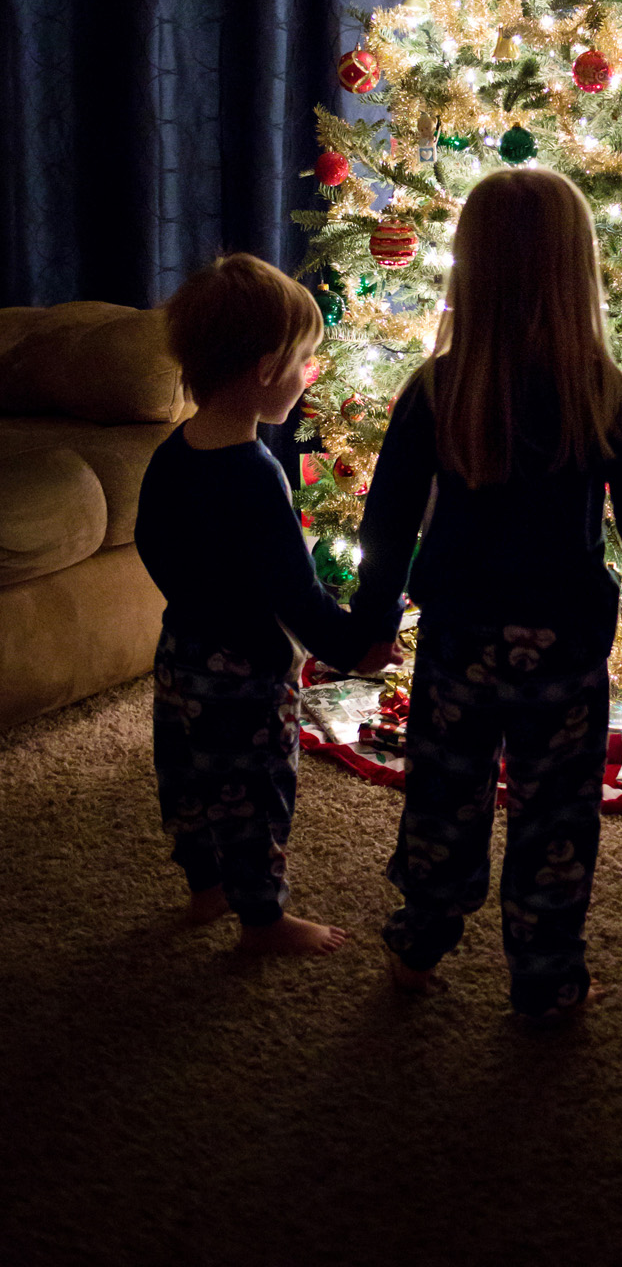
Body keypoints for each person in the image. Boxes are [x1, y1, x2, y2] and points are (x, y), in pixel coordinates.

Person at [353, 168, 622, 1018]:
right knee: (555, 813)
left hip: (460, 640)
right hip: (562, 647)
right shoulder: (600, 390)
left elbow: (389, 524)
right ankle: (545, 975)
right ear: (575, 270)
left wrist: (368, 621)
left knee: (444, 792)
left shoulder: (434, 390)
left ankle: (419, 941)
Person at [137, 254, 403, 958]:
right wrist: (357, 648)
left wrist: (194, 602)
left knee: (189, 782)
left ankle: (204, 887)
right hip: (247, 674)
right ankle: (263, 922)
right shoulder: (257, 475)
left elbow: (149, 542)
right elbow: (297, 594)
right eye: (305, 362)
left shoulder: (173, 453)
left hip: (179, 655)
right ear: (264, 370)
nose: (309, 375)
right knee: (253, 796)